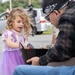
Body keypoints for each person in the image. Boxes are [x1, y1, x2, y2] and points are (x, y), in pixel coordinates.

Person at [13, 0, 75, 75]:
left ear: (56, 13)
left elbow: (62, 50)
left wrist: (40, 60)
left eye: (48, 17)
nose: (49, 21)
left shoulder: (67, 16)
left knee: (19, 70)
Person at [1, 7, 31, 75]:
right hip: (11, 58)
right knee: (12, 72)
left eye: (23, 22)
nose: (21, 24)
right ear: (11, 21)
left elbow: (24, 43)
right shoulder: (9, 33)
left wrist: (26, 47)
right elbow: (9, 43)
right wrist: (20, 45)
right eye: (19, 22)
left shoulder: (21, 34)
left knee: (21, 71)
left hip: (21, 56)